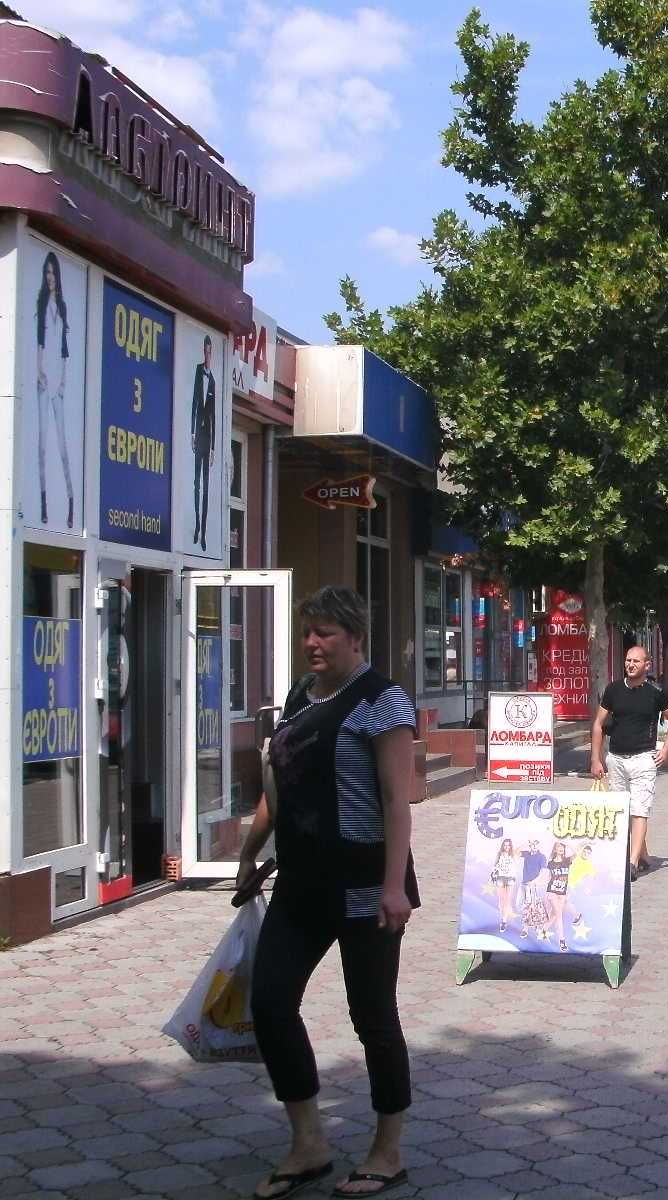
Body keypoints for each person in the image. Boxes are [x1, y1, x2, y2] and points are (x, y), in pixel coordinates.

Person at [236, 586, 418, 1200]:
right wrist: (247, 856)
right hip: (302, 882)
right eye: (307, 632)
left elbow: (399, 800)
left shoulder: (382, 701)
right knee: (270, 1001)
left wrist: (395, 886)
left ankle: (386, 1150)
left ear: (356, 638)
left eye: (325, 634)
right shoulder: (297, 698)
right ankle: (308, 1143)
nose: (312, 643)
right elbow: (278, 790)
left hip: (367, 886)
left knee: (371, 1017)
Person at [591, 646, 668, 881]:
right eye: (628, 660)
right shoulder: (613, 690)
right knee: (622, 810)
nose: (630, 664)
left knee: (639, 809)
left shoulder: (655, 693)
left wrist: (666, 749)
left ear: (647, 665)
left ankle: (630, 862)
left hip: (643, 759)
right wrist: (595, 759)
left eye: (636, 661)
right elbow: (598, 725)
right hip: (616, 759)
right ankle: (643, 855)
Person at [35, 251, 75, 529]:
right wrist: (39, 372)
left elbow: (64, 349)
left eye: (53, 272)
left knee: (62, 446)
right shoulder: (41, 305)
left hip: (57, 381)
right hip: (43, 379)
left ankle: (71, 501)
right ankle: (43, 502)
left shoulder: (62, 307)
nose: (50, 277)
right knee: (41, 444)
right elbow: (40, 342)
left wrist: (62, 381)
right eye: (47, 273)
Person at [191, 334, 218, 550]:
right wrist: (192, 433)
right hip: (197, 437)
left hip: (207, 438)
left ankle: (204, 533)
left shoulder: (214, 382)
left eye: (210, 352)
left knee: (207, 487)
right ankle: (197, 525)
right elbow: (193, 403)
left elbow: (214, 417)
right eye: (206, 351)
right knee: (196, 484)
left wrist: (213, 448)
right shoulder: (198, 372)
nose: (208, 355)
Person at [543, 842, 573, 951]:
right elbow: (548, 878)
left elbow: (576, 854)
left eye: (562, 848)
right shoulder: (550, 863)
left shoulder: (567, 861)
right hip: (552, 891)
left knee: (555, 915)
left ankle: (543, 929)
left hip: (562, 893)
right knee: (559, 915)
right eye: (558, 847)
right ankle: (562, 941)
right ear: (555, 850)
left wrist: (568, 845)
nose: (561, 849)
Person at [490, 838, 519, 932]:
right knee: (501, 899)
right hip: (500, 877)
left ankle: (504, 921)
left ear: (510, 846)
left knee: (507, 900)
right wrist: (493, 875)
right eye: (505, 845)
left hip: (510, 878)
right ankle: (503, 916)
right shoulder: (499, 854)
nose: (507, 847)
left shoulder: (513, 854)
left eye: (508, 845)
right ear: (503, 846)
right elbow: (495, 865)